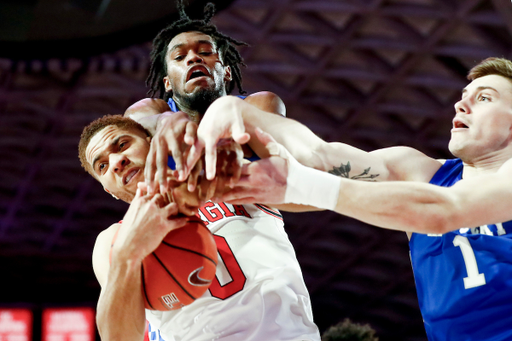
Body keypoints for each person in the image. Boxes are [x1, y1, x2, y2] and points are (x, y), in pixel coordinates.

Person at [211, 57, 512, 341]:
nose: (461, 104)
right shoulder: (421, 172)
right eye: (464, 95)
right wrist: (236, 111)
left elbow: (443, 210)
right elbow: (319, 155)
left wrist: (301, 184)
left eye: (484, 98)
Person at [79, 2, 321, 341]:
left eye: (205, 52)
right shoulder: (113, 240)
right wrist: (167, 122)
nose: (193, 58)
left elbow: (308, 188)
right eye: (179, 57)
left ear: (227, 71)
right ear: (165, 83)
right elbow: (139, 117)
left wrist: (225, 172)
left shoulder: (250, 132)